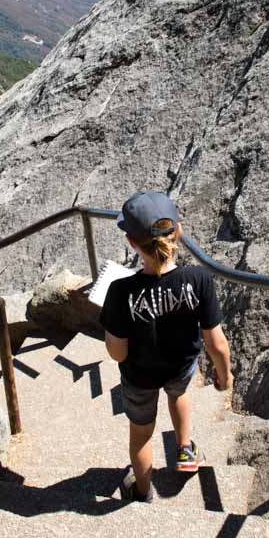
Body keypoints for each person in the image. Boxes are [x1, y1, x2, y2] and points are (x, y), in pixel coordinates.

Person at [100, 190, 233, 503]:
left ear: (132, 243)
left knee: (141, 433)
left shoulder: (120, 291)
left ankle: (142, 492)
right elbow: (217, 343)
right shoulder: (199, 279)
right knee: (180, 394)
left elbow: (117, 352)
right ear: (179, 231)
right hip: (181, 367)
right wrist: (225, 377)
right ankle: (185, 449)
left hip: (139, 378)